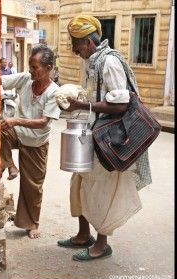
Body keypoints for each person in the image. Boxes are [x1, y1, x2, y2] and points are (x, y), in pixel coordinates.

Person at [57, 15, 152, 261]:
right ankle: (82, 235)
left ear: (89, 42)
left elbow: (121, 104)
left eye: (76, 44)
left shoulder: (109, 62)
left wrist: (81, 103)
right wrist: (80, 102)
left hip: (107, 139)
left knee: (100, 190)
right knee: (80, 183)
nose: (74, 49)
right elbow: (98, 97)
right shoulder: (93, 61)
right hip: (93, 133)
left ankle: (101, 244)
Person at [0, 44, 61, 239]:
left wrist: (16, 120)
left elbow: (44, 122)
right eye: (30, 65)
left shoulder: (54, 92)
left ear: (49, 67)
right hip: (18, 134)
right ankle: (11, 166)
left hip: (36, 143)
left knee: (33, 186)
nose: (30, 70)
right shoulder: (26, 79)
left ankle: (32, 223)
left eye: (35, 67)